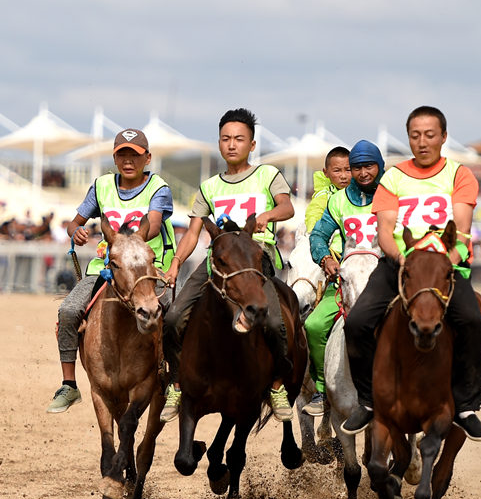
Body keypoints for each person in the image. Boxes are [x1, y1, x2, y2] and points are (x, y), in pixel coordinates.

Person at [340, 106, 481, 441]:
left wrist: (443, 262)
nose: (422, 142)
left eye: (430, 135)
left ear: (443, 137)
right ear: (408, 138)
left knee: (471, 321)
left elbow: (462, 231)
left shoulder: (459, 175)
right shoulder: (393, 177)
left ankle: (466, 405)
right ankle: (366, 401)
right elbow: (384, 231)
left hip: (444, 266)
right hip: (401, 264)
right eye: (415, 135)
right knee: (357, 322)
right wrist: (402, 260)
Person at [160, 108, 297, 422]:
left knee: (276, 325)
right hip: (217, 267)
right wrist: (176, 263)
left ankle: (277, 383)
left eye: (239, 139)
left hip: (255, 265)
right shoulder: (208, 187)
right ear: (219, 143)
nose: (232, 144)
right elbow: (193, 232)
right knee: (173, 318)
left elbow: (286, 206)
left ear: (252, 145)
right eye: (226, 139)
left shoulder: (268, 175)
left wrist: (268, 216)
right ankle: (178, 382)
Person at [48, 128, 176, 413]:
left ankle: (175, 382)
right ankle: (69, 386)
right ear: (115, 158)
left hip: (149, 271)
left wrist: (130, 240)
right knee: (68, 311)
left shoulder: (159, 188)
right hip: (107, 271)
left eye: (135, 155)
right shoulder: (102, 186)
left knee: (176, 317)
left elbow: (153, 225)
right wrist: (77, 231)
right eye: (122, 155)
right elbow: (73, 223)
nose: (128, 161)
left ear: (148, 158)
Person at [301, 140, 384, 416]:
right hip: (346, 278)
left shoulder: (391, 195)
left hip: (385, 277)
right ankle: (322, 391)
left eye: (365, 166)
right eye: (355, 168)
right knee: (313, 325)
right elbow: (317, 235)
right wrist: (325, 258)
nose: (359, 173)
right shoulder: (336, 201)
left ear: (379, 167)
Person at [304, 147, 351, 233]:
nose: (343, 176)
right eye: (337, 171)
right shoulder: (323, 197)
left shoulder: (361, 194)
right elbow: (313, 221)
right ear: (326, 172)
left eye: (348, 170)